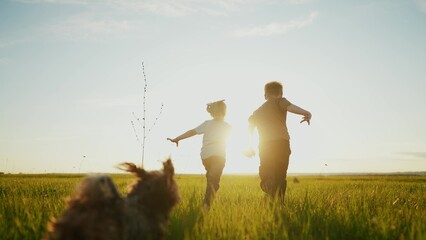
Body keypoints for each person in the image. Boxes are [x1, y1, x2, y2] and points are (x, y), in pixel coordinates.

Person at [246, 81, 311, 202]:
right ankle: (279, 203)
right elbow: (291, 107)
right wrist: (306, 113)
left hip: (265, 145)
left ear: (265, 95)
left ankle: (269, 189)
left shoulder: (257, 112)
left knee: (266, 171)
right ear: (281, 94)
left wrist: (249, 146)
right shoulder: (280, 101)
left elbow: (250, 127)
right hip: (282, 143)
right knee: (281, 175)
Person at [167, 100, 231, 208]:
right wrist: (178, 138)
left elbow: (192, 132)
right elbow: (192, 132)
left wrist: (178, 138)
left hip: (212, 157)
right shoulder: (218, 125)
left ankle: (207, 202)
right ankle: (207, 203)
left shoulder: (217, 125)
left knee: (212, 179)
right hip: (212, 156)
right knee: (213, 180)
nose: (217, 114)